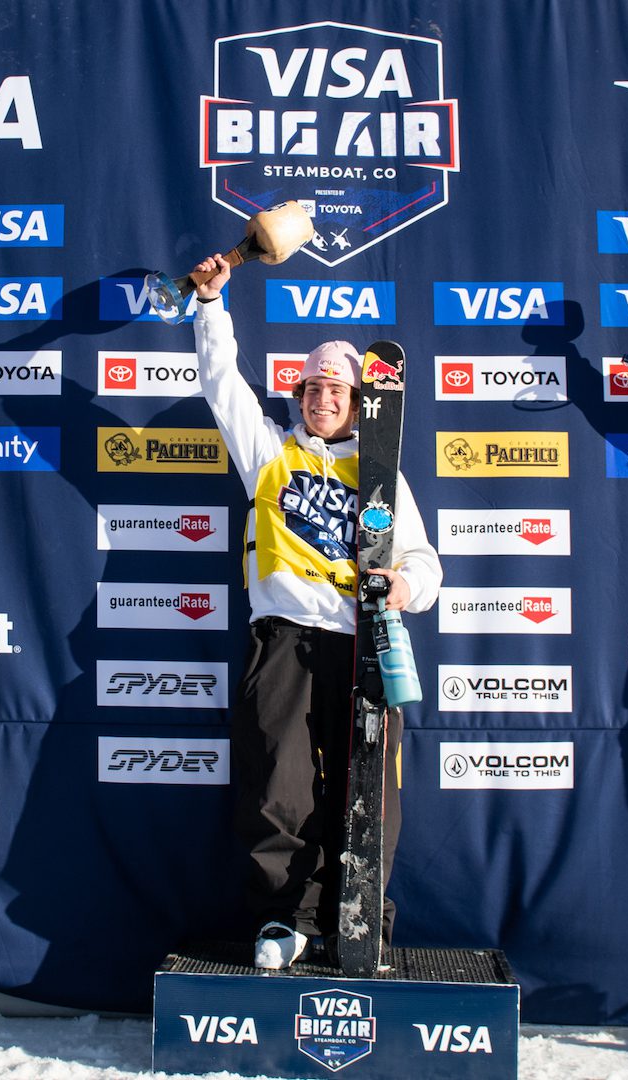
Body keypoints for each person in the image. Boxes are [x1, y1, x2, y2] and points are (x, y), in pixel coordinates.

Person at [186, 252, 442, 970]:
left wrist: (403, 587)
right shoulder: (270, 452)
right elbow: (222, 387)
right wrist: (210, 306)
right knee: (279, 783)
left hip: (364, 644)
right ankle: (285, 919)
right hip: (284, 639)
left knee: (368, 789)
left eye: (335, 389)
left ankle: (361, 917)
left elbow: (425, 565)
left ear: (359, 403)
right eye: (310, 388)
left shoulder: (381, 474)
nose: (320, 399)